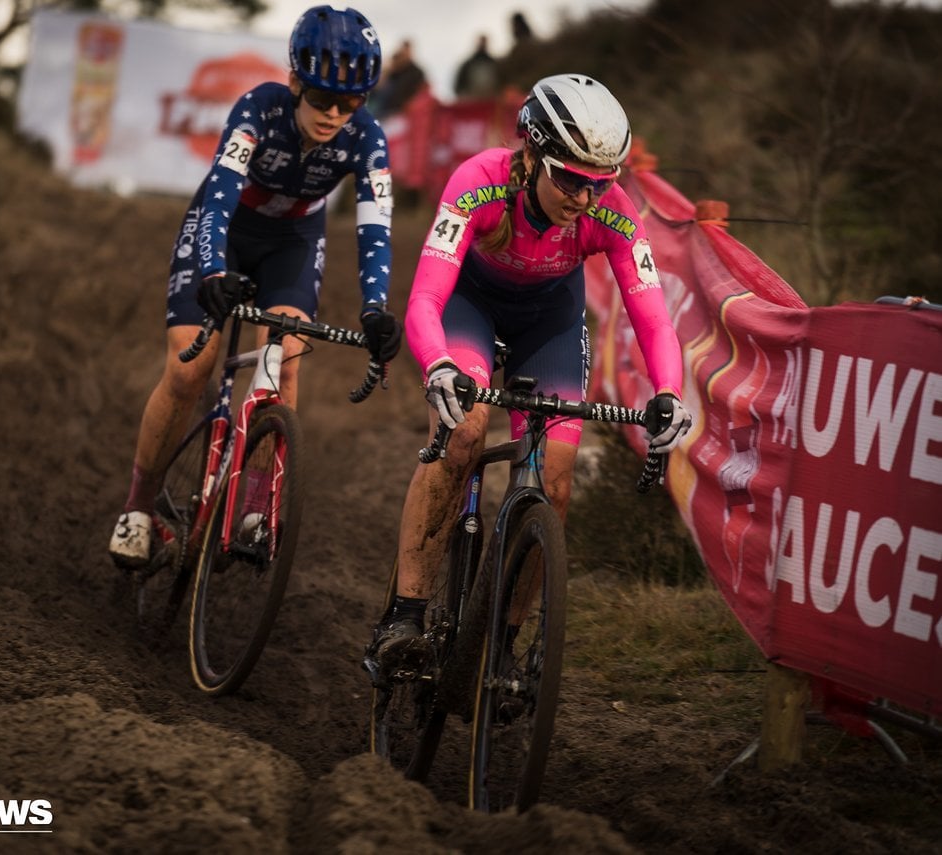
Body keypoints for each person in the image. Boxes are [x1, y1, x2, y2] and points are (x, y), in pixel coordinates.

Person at [366, 74, 691, 665]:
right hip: (471, 312)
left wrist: (668, 390)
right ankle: (404, 615)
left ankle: (503, 647)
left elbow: (653, 319)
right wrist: (438, 363)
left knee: (556, 481)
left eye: (599, 184)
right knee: (463, 435)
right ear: (533, 151)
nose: (583, 199)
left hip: (551, 327)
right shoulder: (479, 182)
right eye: (570, 179)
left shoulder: (612, 214)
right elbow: (425, 299)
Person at [109, 5, 402, 568]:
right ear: (295, 82)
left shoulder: (367, 139)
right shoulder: (259, 109)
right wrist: (215, 271)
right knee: (192, 367)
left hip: (293, 240)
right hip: (228, 227)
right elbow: (219, 189)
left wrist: (374, 309)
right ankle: (138, 508)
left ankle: (252, 505)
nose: (334, 114)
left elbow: (375, 229)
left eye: (351, 102)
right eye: (321, 99)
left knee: (285, 360)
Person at [453, 34, 500, 100]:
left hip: (491, 101)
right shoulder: (467, 66)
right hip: (471, 101)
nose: (482, 45)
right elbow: (458, 87)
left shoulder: (496, 66)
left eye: (484, 42)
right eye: (481, 42)